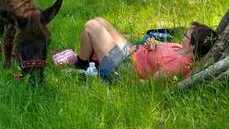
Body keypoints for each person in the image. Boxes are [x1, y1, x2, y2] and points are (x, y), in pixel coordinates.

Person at [74, 18, 217, 82]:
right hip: (133, 52)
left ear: (192, 46)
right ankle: (85, 63)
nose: (183, 35)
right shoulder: (181, 49)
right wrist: (153, 45)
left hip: (125, 68)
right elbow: (161, 53)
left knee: (91, 26)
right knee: (100, 21)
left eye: (186, 35)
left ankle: (81, 67)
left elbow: (148, 85)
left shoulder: (179, 64)